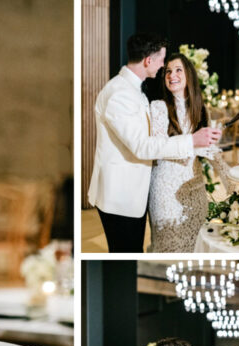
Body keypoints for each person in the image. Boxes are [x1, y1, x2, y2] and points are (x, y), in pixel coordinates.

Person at [87, 32, 222, 252]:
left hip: (135, 194)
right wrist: (191, 141)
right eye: (162, 61)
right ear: (148, 60)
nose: (163, 67)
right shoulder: (120, 94)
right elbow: (142, 146)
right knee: (126, 253)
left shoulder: (132, 91)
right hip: (121, 196)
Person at [148, 53, 231, 252]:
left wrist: (232, 181)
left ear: (189, 76)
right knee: (168, 246)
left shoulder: (201, 110)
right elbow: (158, 149)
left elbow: (211, 152)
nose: (172, 75)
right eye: (168, 71)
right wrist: (194, 145)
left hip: (195, 190)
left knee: (196, 247)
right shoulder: (158, 107)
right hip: (165, 192)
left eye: (178, 70)